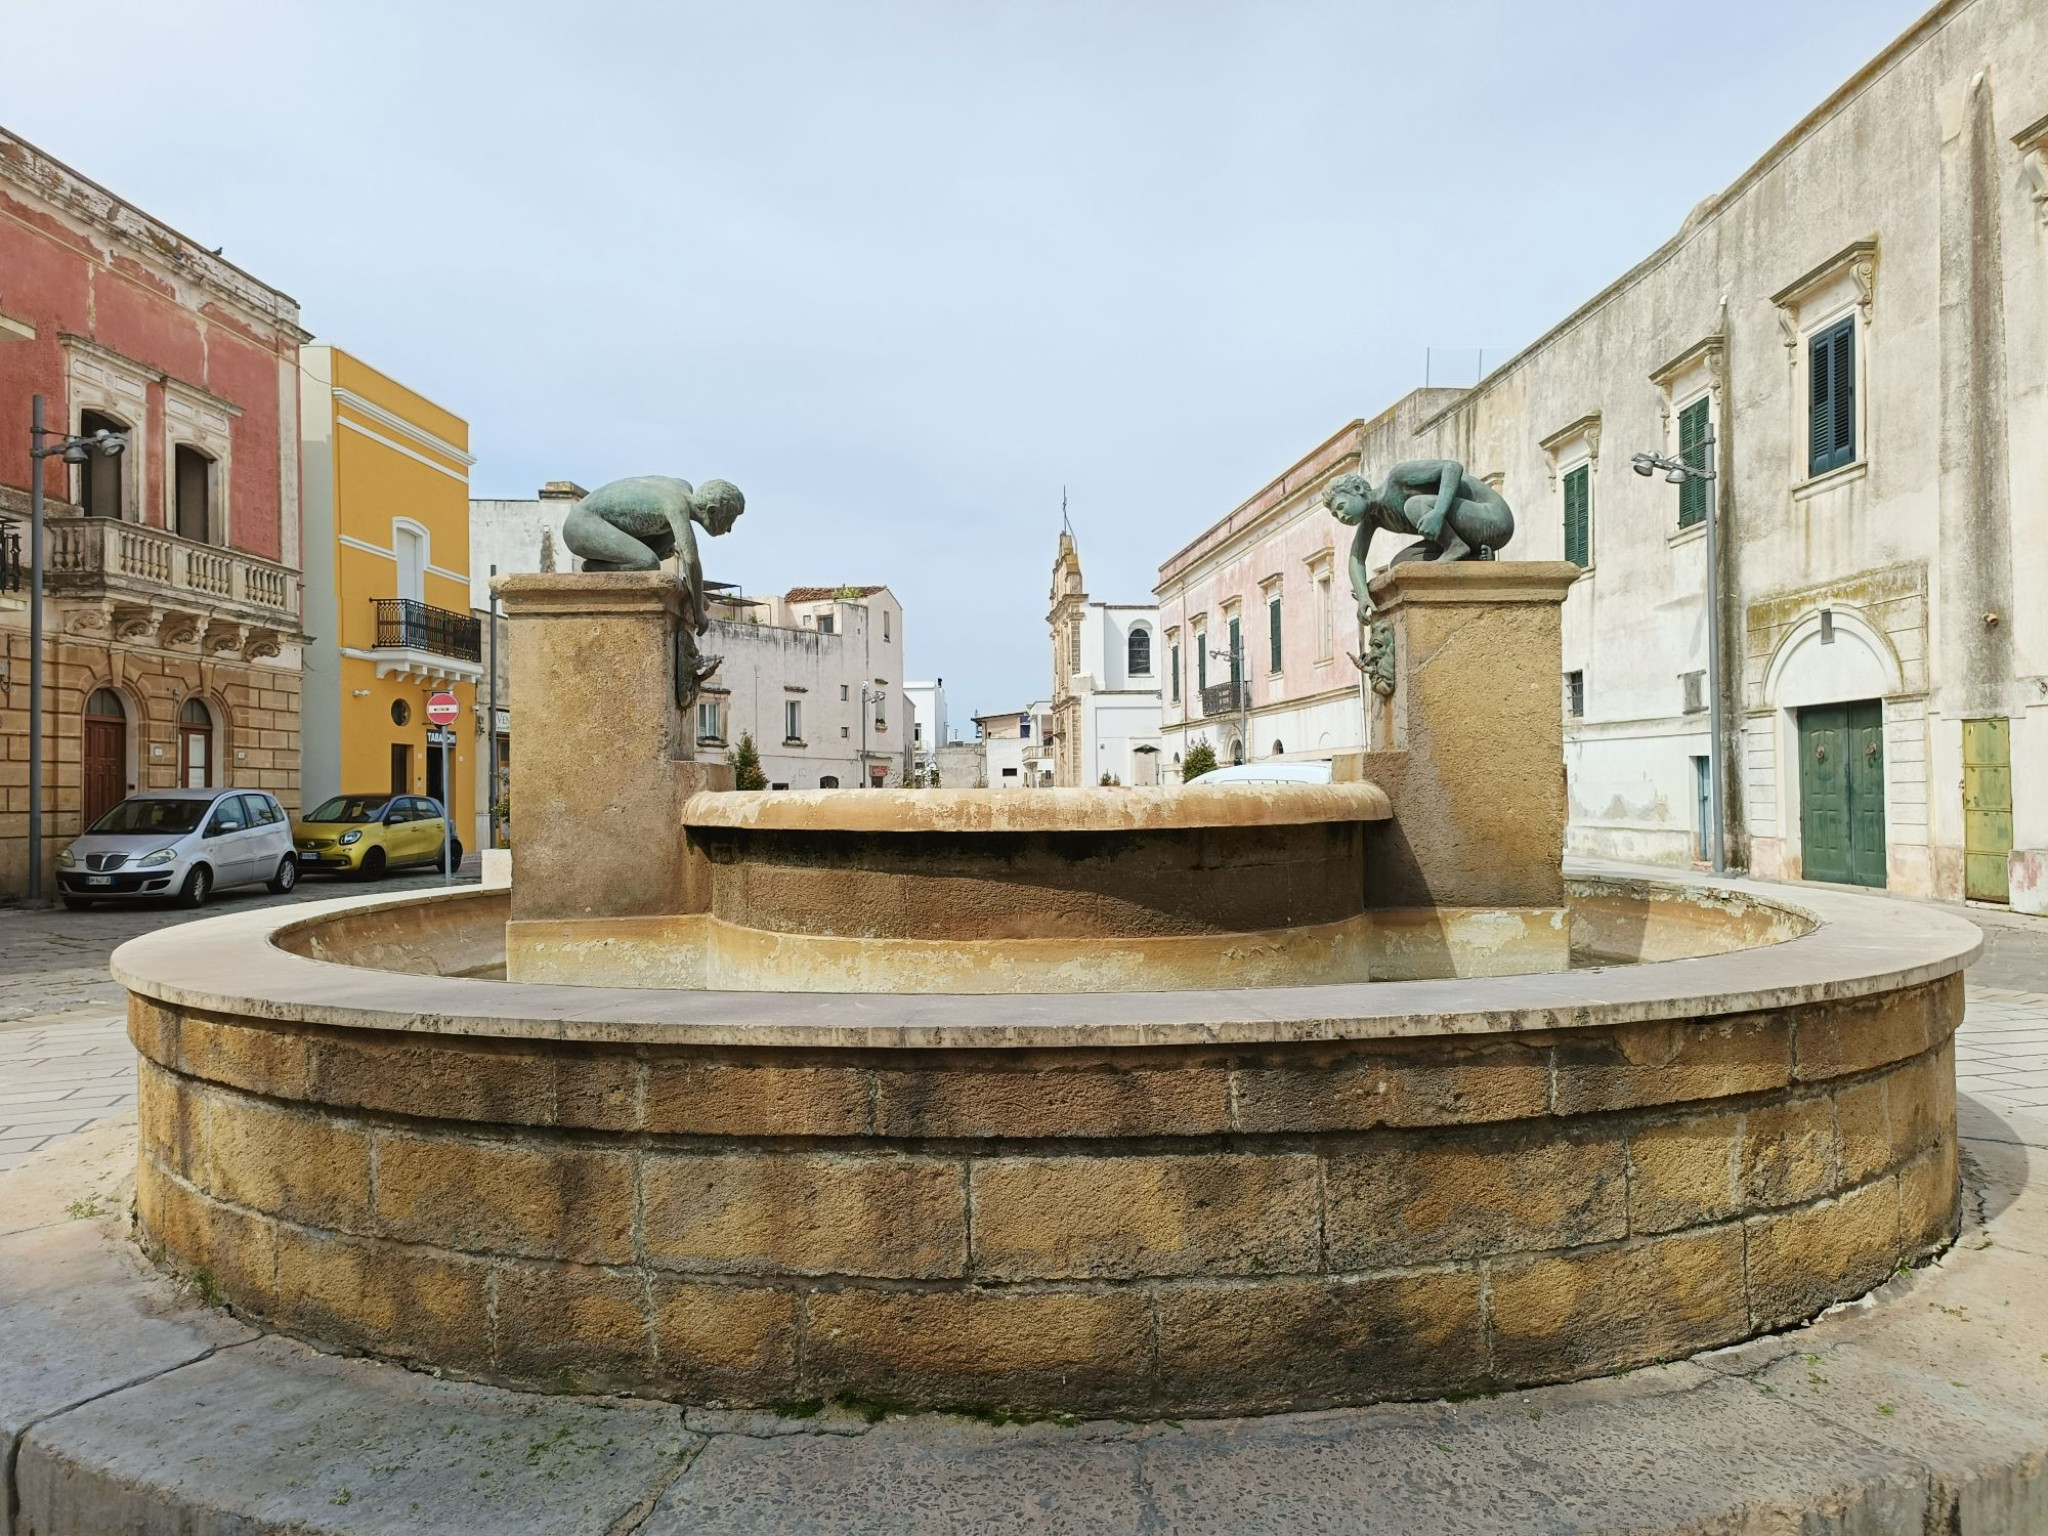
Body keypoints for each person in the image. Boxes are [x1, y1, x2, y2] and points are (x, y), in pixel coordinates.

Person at [1323, 462, 1514, 626]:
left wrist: (1438, 513)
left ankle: (1455, 547)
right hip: (1472, 533)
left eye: (1341, 507)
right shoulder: (1373, 518)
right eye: (1335, 515)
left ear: (1357, 490)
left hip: (1493, 519)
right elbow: (1356, 558)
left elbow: (1452, 467)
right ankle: (1472, 557)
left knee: (1413, 505)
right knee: (1402, 563)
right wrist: (1363, 595)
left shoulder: (1397, 478)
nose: (1341, 516)